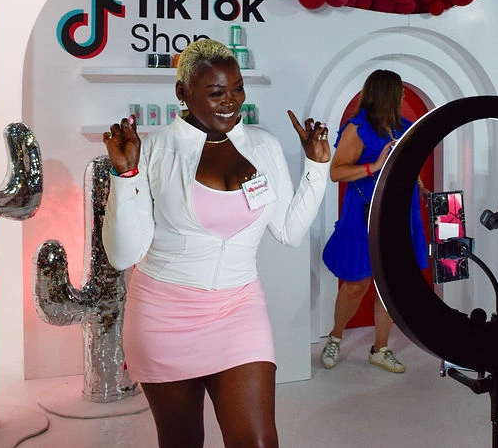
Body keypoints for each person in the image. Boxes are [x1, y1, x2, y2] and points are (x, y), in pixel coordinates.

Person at [101, 38, 330, 448]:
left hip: (240, 309)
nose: (231, 101)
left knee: (258, 441)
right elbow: (123, 255)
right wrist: (126, 177)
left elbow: (290, 232)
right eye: (215, 92)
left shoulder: (262, 145)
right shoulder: (153, 150)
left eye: (237, 88)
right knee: (182, 440)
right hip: (164, 314)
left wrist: (317, 166)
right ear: (182, 92)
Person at [320, 69, 429, 373]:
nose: (404, 95)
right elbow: (336, 172)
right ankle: (335, 337)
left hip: (400, 211)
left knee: (390, 284)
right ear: (387, 94)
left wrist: (419, 184)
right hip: (364, 212)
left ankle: (380, 349)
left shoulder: (406, 127)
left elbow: (407, 165)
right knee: (356, 284)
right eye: (399, 90)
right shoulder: (357, 129)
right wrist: (374, 166)